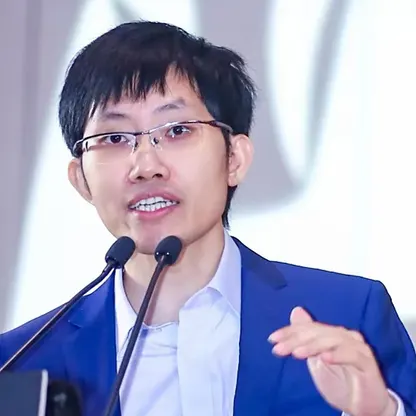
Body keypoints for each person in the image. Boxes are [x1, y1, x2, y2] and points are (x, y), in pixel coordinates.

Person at [0, 20, 415, 416]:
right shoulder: (22, 360)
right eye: (114, 137)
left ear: (234, 158)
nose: (145, 166)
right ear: (81, 180)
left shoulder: (348, 315)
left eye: (177, 130)